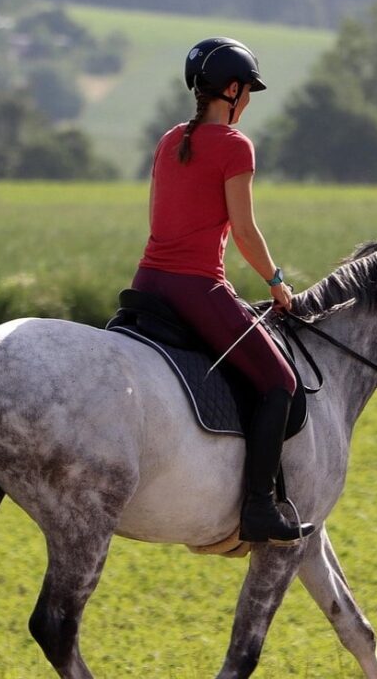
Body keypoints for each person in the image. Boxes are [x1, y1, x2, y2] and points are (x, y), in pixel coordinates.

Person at [132, 37, 315, 545]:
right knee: (280, 381)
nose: (249, 101)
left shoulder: (170, 140)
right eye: (248, 91)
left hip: (147, 284)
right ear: (232, 91)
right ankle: (258, 507)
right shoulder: (236, 146)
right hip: (196, 290)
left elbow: (161, 220)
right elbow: (246, 232)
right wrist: (277, 283)